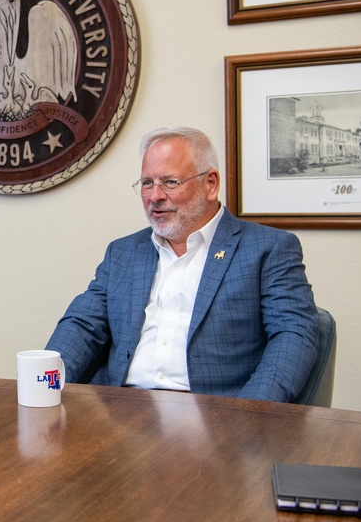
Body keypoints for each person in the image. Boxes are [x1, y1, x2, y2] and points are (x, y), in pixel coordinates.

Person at [45, 127, 318, 402]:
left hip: (218, 415)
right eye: (147, 183)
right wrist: (45, 385)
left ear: (210, 184)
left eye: (170, 182)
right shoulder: (123, 252)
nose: (155, 196)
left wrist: (250, 413)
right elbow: (82, 325)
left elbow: (293, 336)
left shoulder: (267, 249)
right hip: (120, 411)